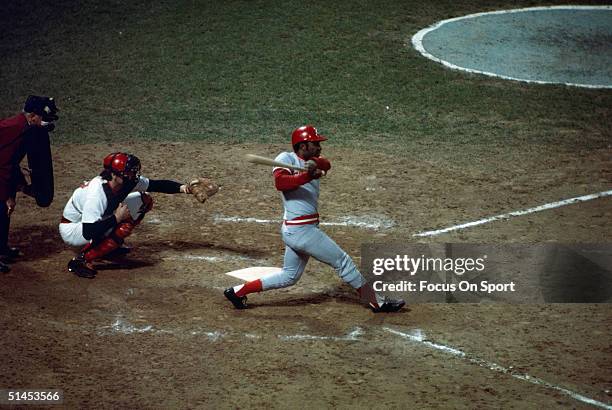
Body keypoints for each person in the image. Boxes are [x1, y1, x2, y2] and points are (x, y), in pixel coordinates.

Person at [224, 125, 405, 313]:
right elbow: (281, 183)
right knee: (342, 261)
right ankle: (378, 301)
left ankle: (237, 292)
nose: (319, 146)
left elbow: (326, 164)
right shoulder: (285, 158)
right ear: (303, 145)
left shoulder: (314, 162)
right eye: (315, 143)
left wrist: (315, 167)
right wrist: (306, 176)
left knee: (289, 276)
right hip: (301, 230)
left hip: (297, 230)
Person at [60, 152, 201, 279]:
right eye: (128, 173)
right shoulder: (97, 193)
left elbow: (155, 185)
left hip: (94, 222)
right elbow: (88, 231)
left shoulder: (124, 182)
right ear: (114, 174)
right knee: (122, 226)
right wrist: (116, 218)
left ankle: (106, 248)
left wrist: (185, 188)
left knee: (144, 200)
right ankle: (81, 260)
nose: (132, 176)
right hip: (73, 230)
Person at [0, 95, 58, 273]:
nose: (46, 123)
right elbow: (2, 165)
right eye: (43, 118)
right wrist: (6, 196)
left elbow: (11, 161)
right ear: (33, 116)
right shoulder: (11, 128)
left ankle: (1, 249)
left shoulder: (27, 130)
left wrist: (18, 188)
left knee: (4, 213)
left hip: (4, 171)